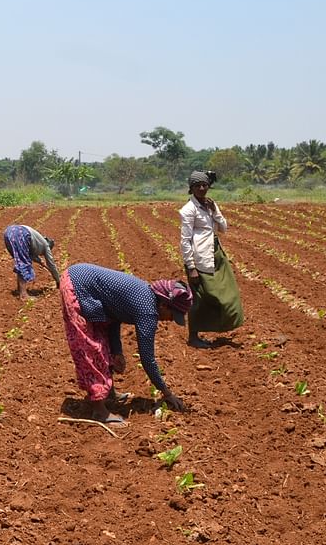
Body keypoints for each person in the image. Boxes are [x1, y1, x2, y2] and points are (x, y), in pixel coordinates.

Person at [58, 263, 193, 424]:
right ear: (164, 304)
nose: (170, 320)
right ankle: (99, 411)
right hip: (78, 285)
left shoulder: (145, 295)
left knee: (103, 341)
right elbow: (147, 357)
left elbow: (114, 318)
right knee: (90, 347)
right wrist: (166, 392)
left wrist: (117, 351)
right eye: (172, 314)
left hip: (83, 282)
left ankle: (108, 394)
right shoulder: (148, 310)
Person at [179, 170, 245, 348]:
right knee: (199, 299)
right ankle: (193, 337)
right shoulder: (188, 210)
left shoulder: (210, 204)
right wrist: (191, 266)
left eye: (204, 185)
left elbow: (223, 228)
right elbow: (185, 241)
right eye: (197, 185)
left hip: (216, 254)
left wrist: (214, 210)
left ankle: (222, 325)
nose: (202, 188)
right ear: (191, 188)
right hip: (199, 258)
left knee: (228, 294)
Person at [3, 224, 59, 297]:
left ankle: (19, 289)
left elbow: (31, 255)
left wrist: (40, 261)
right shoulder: (46, 246)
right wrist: (58, 280)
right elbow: (51, 264)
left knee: (20, 262)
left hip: (9, 232)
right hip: (21, 233)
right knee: (23, 263)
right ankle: (23, 295)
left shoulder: (37, 241)